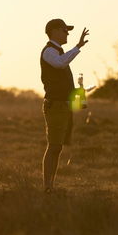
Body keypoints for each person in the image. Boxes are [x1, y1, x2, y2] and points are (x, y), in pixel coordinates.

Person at [40, 18, 89, 193]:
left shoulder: (57, 51)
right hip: (55, 106)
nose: (67, 33)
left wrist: (78, 97)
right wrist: (78, 47)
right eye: (64, 30)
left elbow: (62, 82)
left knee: (57, 147)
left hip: (62, 105)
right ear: (53, 31)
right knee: (53, 146)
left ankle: (50, 186)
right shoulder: (49, 52)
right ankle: (47, 186)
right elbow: (60, 63)